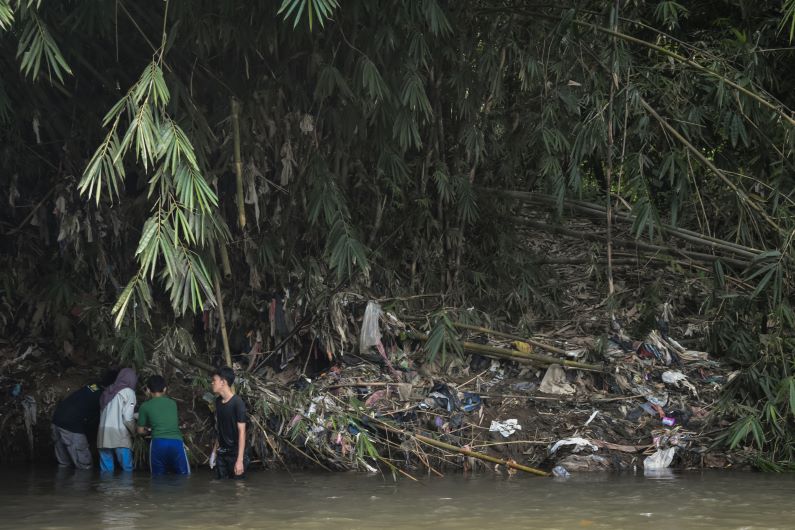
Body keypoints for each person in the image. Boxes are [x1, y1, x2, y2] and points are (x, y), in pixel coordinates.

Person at [51, 369, 118, 469]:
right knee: (84, 466)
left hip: (56, 421)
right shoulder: (103, 396)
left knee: (64, 464)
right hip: (71, 426)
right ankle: (83, 483)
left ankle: (62, 483)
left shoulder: (93, 386)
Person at [136, 375, 190, 476]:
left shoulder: (144, 406)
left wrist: (148, 431)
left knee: (158, 479)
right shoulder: (172, 403)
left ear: (148, 390)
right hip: (176, 443)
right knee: (184, 476)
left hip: (158, 443)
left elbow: (140, 431)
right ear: (164, 389)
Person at [210, 366, 249, 479]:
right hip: (222, 453)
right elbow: (220, 429)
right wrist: (214, 453)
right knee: (222, 490)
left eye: (214, 380)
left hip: (236, 454)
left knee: (238, 489)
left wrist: (240, 460)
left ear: (223, 382)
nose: (212, 383)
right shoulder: (218, 402)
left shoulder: (238, 403)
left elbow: (242, 432)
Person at [97, 367, 138, 472]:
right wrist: (135, 432)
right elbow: (127, 418)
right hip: (118, 434)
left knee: (106, 471)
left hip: (102, 434)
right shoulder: (129, 392)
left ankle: (107, 488)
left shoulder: (107, 391)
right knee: (127, 470)